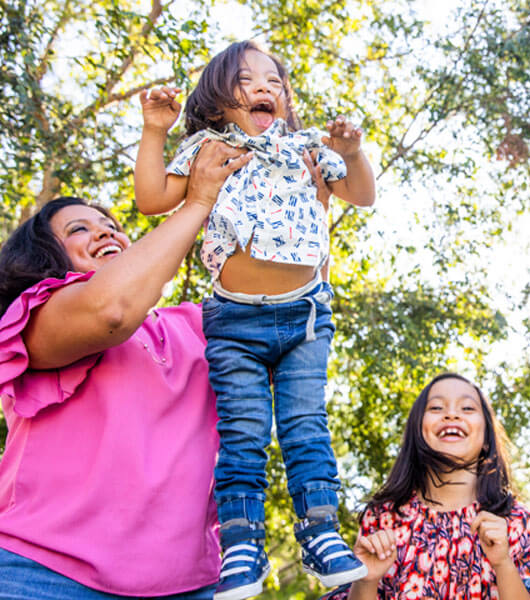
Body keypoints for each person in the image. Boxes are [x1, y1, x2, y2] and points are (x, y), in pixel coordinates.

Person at [134, 40, 376, 600]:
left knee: (304, 426)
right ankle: (241, 542)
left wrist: (353, 151)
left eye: (275, 79)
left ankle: (320, 529)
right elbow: (151, 198)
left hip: (306, 315)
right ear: (219, 98)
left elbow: (360, 197)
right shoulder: (206, 148)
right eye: (248, 79)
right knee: (241, 435)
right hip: (233, 322)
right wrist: (154, 131)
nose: (266, 87)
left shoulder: (307, 146)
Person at [0, 142, 252, 599]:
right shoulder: (33, 316)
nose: (106, 233)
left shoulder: (194, 326)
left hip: (188, 585)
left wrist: (309, 195)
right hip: (44, 574)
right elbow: (111, 310)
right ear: (42, 256)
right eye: (79, 228)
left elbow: (286, 314)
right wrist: (197, 201)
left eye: (113, 227)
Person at [323, 373, 530, 600]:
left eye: (467, 408)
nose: (452, 414)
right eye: (436, 408)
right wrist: (366, 580)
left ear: (487, 437)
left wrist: (503, 563)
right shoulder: (382, 518)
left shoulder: (516, 521)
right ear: (417, 430)